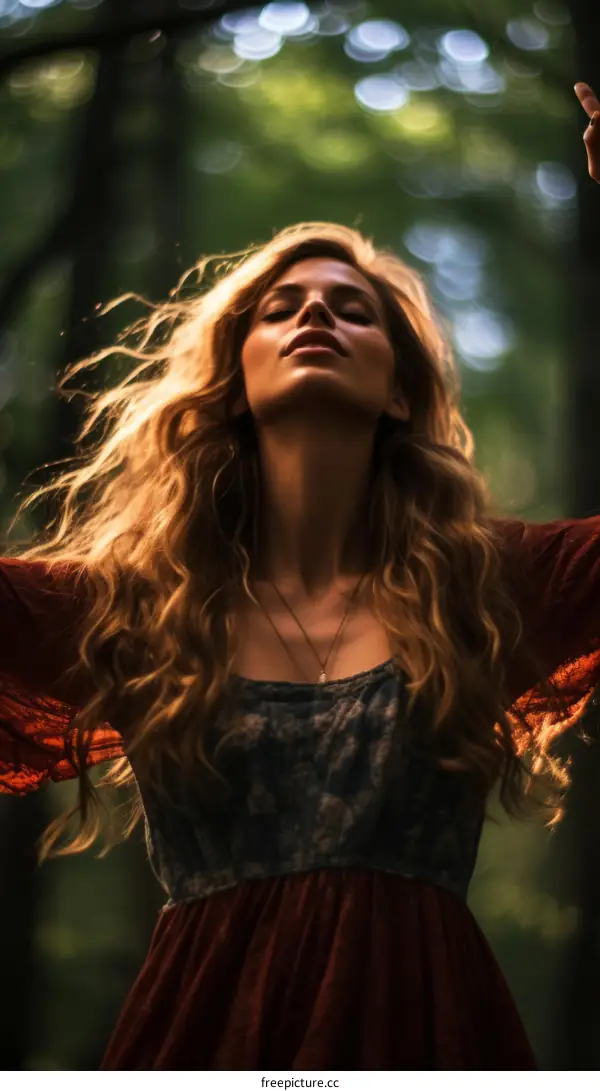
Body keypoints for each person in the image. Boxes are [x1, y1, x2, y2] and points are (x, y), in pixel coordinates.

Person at [1, 84, 600, 1073]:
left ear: (400, 388)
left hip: (431, 1029)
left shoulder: (489, 584)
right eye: (280, 307)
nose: (314, 313)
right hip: (203, 1035)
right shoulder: (136, 605)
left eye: (352, 310)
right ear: (234, 376)